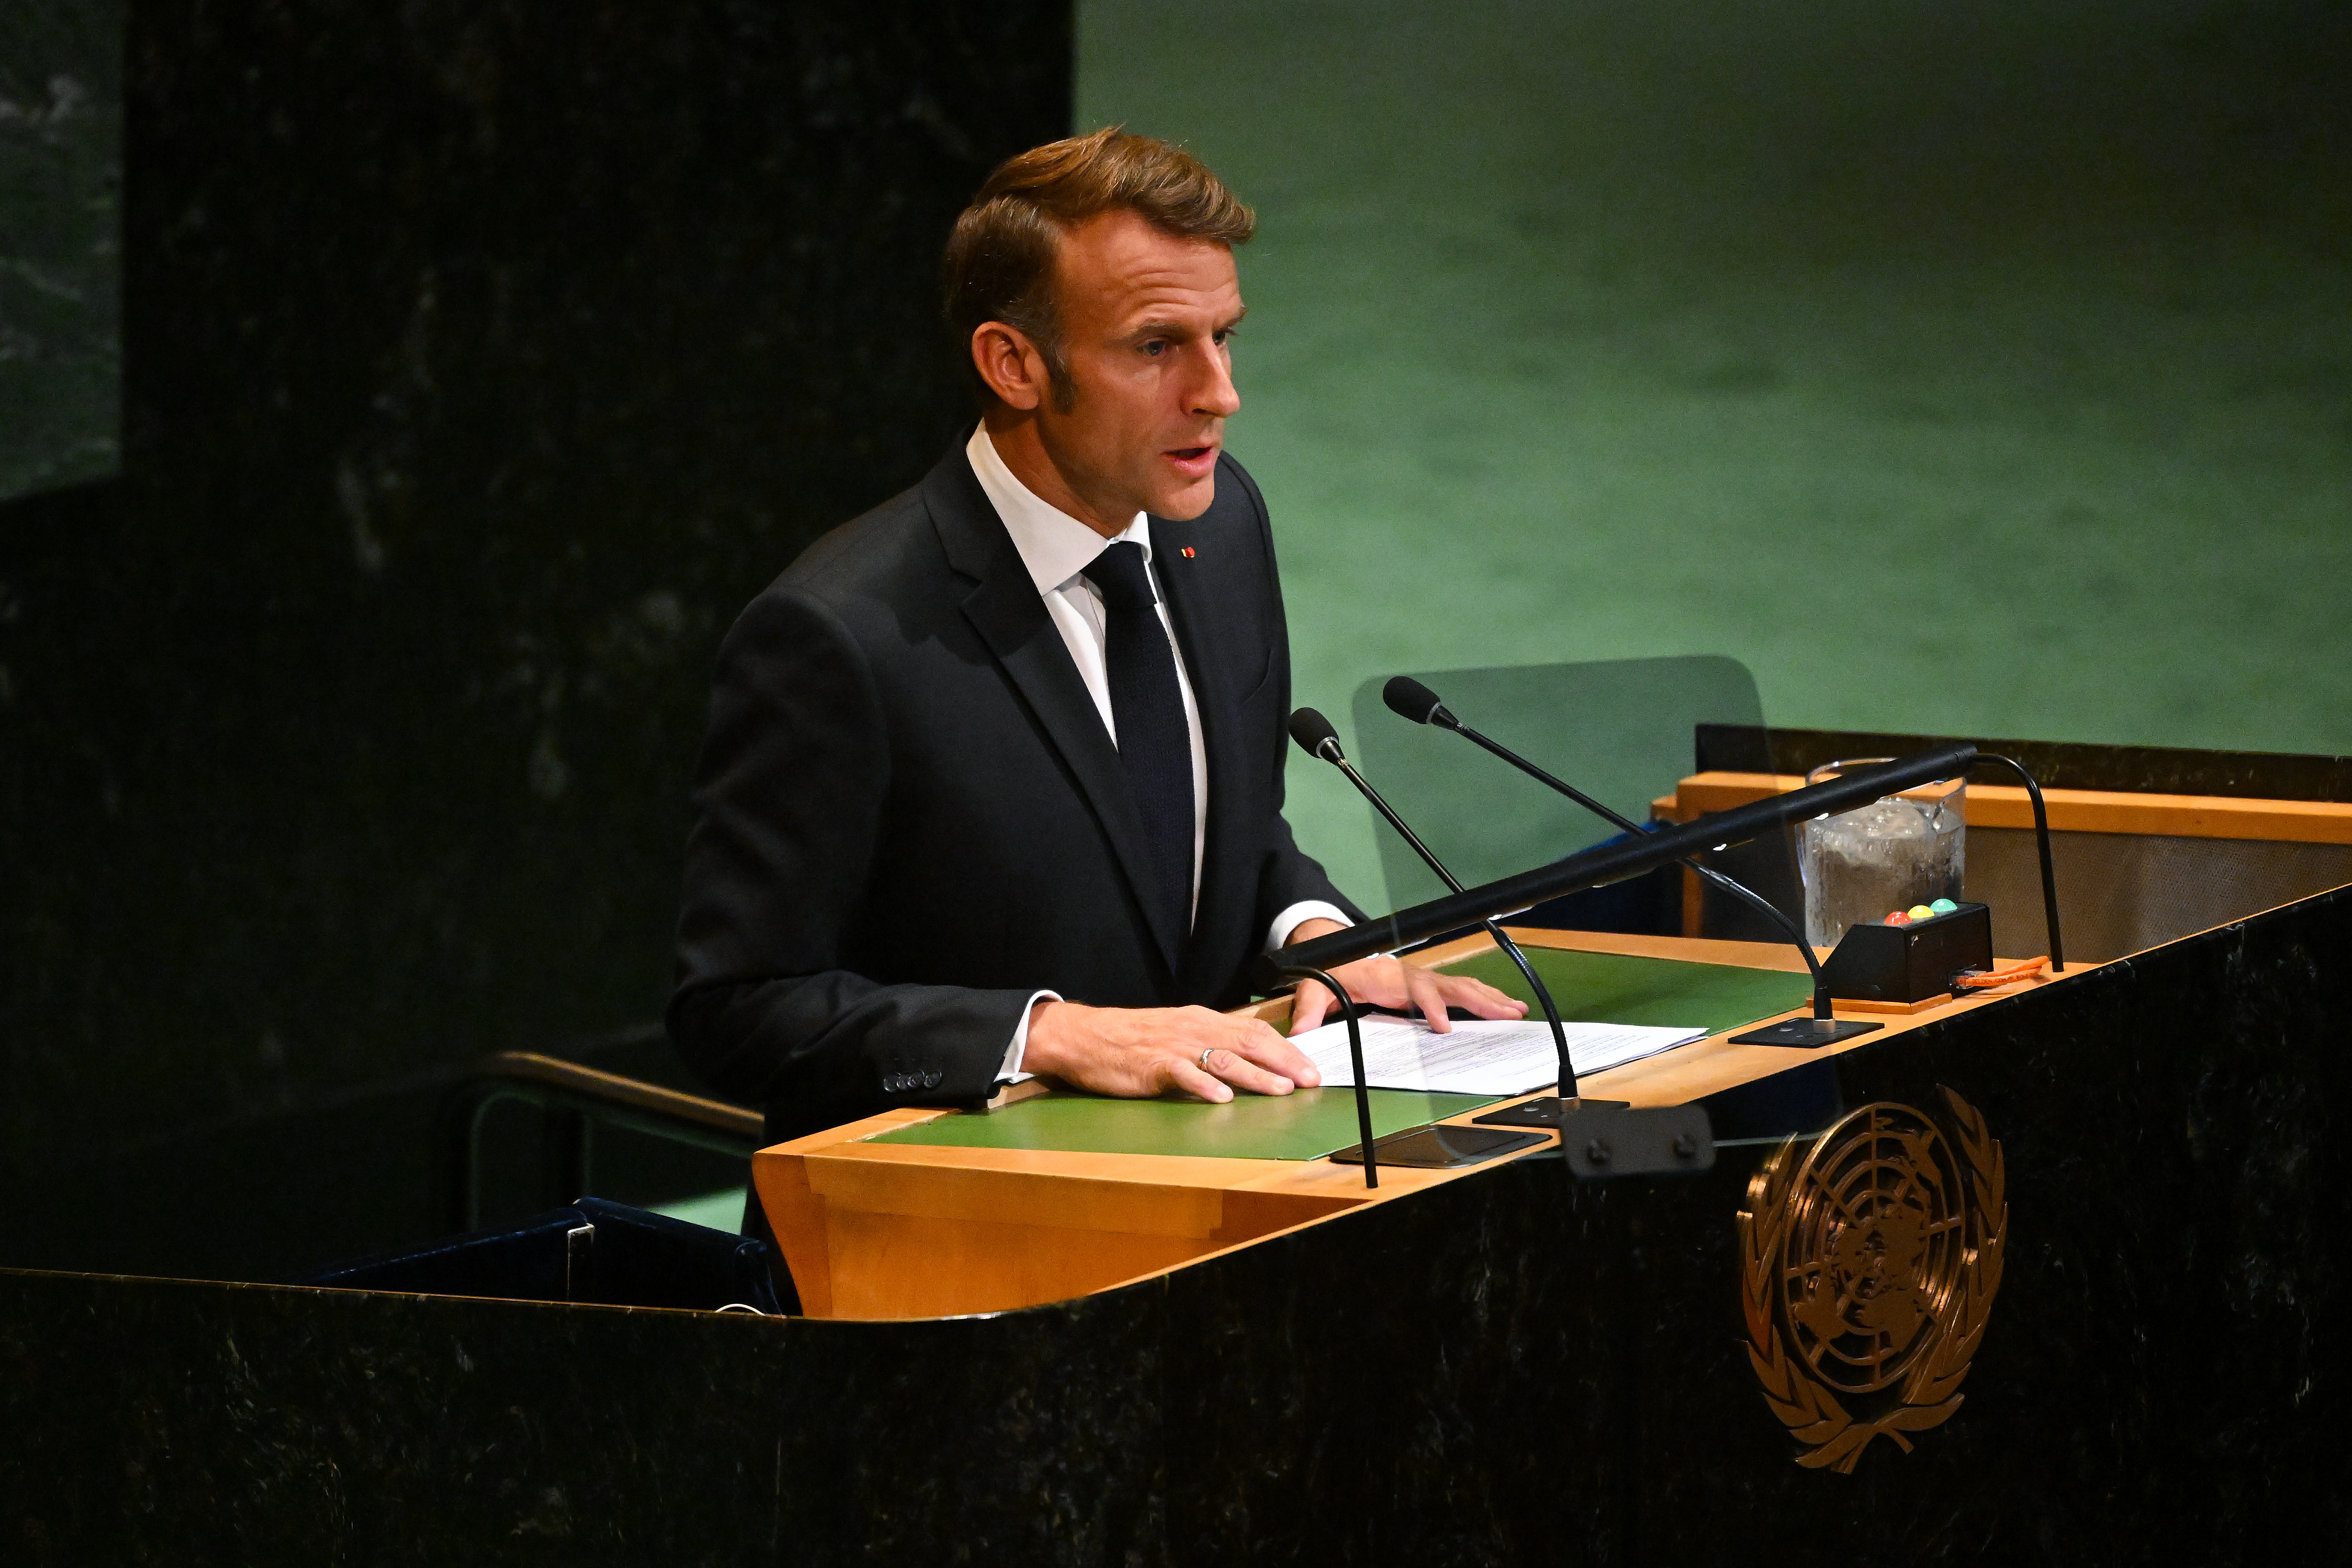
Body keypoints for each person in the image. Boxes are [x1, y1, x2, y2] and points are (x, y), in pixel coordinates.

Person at [668, 128, 1521, 1154]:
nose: (1218, 392)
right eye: (1157, 347)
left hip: (1232, 1184)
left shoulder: (1222, 521)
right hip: (962, 1243)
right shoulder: (840, 635)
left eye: (1226, 336)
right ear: (1015, 363)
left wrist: (1320, 941)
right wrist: (1047, 1034)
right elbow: (740, 1007)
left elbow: (1222, 837)